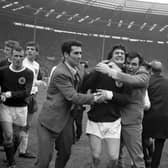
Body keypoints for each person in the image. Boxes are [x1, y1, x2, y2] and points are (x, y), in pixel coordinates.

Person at [36, 39, 105, 168]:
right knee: (44, 161)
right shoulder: (60, 73)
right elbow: (73, 97)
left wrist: (103, 68)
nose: (80, 56)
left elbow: (87, 80)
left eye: (80, 53)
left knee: (66, 153)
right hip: (50, 120)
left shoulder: (78, 68)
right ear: (66, 55)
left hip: (67, 118)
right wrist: (95, 97)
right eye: (76, 53)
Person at [96, 51, 150, 168]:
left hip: (132, 123)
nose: (130, 66)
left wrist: (110, 71)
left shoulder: (144, 75)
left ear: (139, 65)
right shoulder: (124, 72)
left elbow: (132, 80)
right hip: (116, 120)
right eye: (128, 63)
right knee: (115, 156)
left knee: (137, 157)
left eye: (134, 64)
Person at [82, 44, 132, 168]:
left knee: (114, 158)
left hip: (113, 120)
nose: (120, 54)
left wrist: (109, 95)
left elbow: (126, 99)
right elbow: (84, 86)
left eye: (122, 53)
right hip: (95, 119)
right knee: (96, 156)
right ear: (111, 57)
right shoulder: (100, 72)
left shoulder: (126, 76)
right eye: (117, 53)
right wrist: (97, 69)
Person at [0, 45, 33, 168]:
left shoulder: (29, 73)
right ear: (11, 56)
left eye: (20, 56)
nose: (18, 58)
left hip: (21, 108)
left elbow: (26, 92)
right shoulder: (3, 71)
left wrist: (9, 94)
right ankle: (11, 163)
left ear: (23, 57)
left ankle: (10, 157)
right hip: (5, 108)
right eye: (15, 56)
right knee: (8, 136)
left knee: (18, 137)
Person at [18, 41, 46, 158]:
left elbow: (33, 80)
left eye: (32, 49)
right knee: (18, 124)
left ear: (37, 53)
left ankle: (23, 150)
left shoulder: (36, 65)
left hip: (33, 96)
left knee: (27, 124)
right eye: (28, 48)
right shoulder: (22, 63)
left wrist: (38, 83)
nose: (29, 51)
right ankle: (12, 150)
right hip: (23, 96)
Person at [143, 60, 168, 168]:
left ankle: (146, 160)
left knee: (141, 139)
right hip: (164, 118)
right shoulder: (167, 82)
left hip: (148, 117)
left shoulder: (146, 81)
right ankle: (154, 165)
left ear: (150, 69)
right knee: (159, 144)